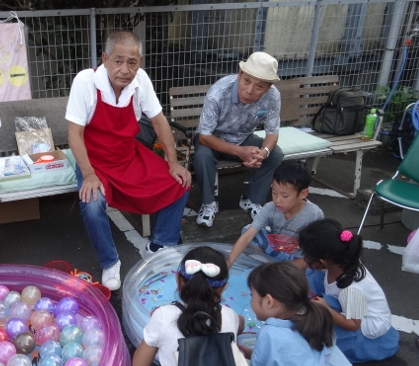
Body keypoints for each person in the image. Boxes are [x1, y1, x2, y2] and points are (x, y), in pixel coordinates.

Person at [66, 31, 191, 291]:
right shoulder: (85, 82)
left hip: (127, 155)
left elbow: (159, 122)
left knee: (180, 181)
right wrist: (88, 175)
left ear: (140, 62)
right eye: (118, 61)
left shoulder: (140, 81)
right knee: (92, 203)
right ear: (105, 59)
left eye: (132, 62)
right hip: (94, 162)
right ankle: (110, 261)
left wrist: (173, 162)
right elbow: (74, 135)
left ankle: (160, 245)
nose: (125, 70)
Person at [193, 51, 283, 227]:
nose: (249, 91)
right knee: (202, 156)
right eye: (246, 81)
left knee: (275, 154)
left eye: (259, 87)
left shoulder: (273, 96)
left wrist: (263, 152)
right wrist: (240, 151)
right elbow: (204, 136)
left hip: (243, 139)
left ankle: (252, 200)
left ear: (268, 87)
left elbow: (272, 132)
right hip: (212, 140)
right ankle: (208, 204)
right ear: (240, 74)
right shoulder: (218, 92)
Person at [299, 219, 399, 363]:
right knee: (313, 277)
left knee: (322, 318)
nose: (303, 258)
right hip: (352, 307)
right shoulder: (340, 261)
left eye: (306, 255)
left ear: (322, 261)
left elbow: (353, 325)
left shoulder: (352, 289)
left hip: (366, 324)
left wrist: (326, 308)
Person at [227, 160, 323, 269]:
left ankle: (278, 268)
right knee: (247, 230)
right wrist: (228, 262)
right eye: (274, 192)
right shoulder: (270, 208)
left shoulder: (314, 215)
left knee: (313, 257)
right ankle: (270, 264)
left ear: (303, 194)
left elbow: (316, 251)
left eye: (285, 196)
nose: (277, 200)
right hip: (277, 249)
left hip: (297, 256)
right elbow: (248, 235)